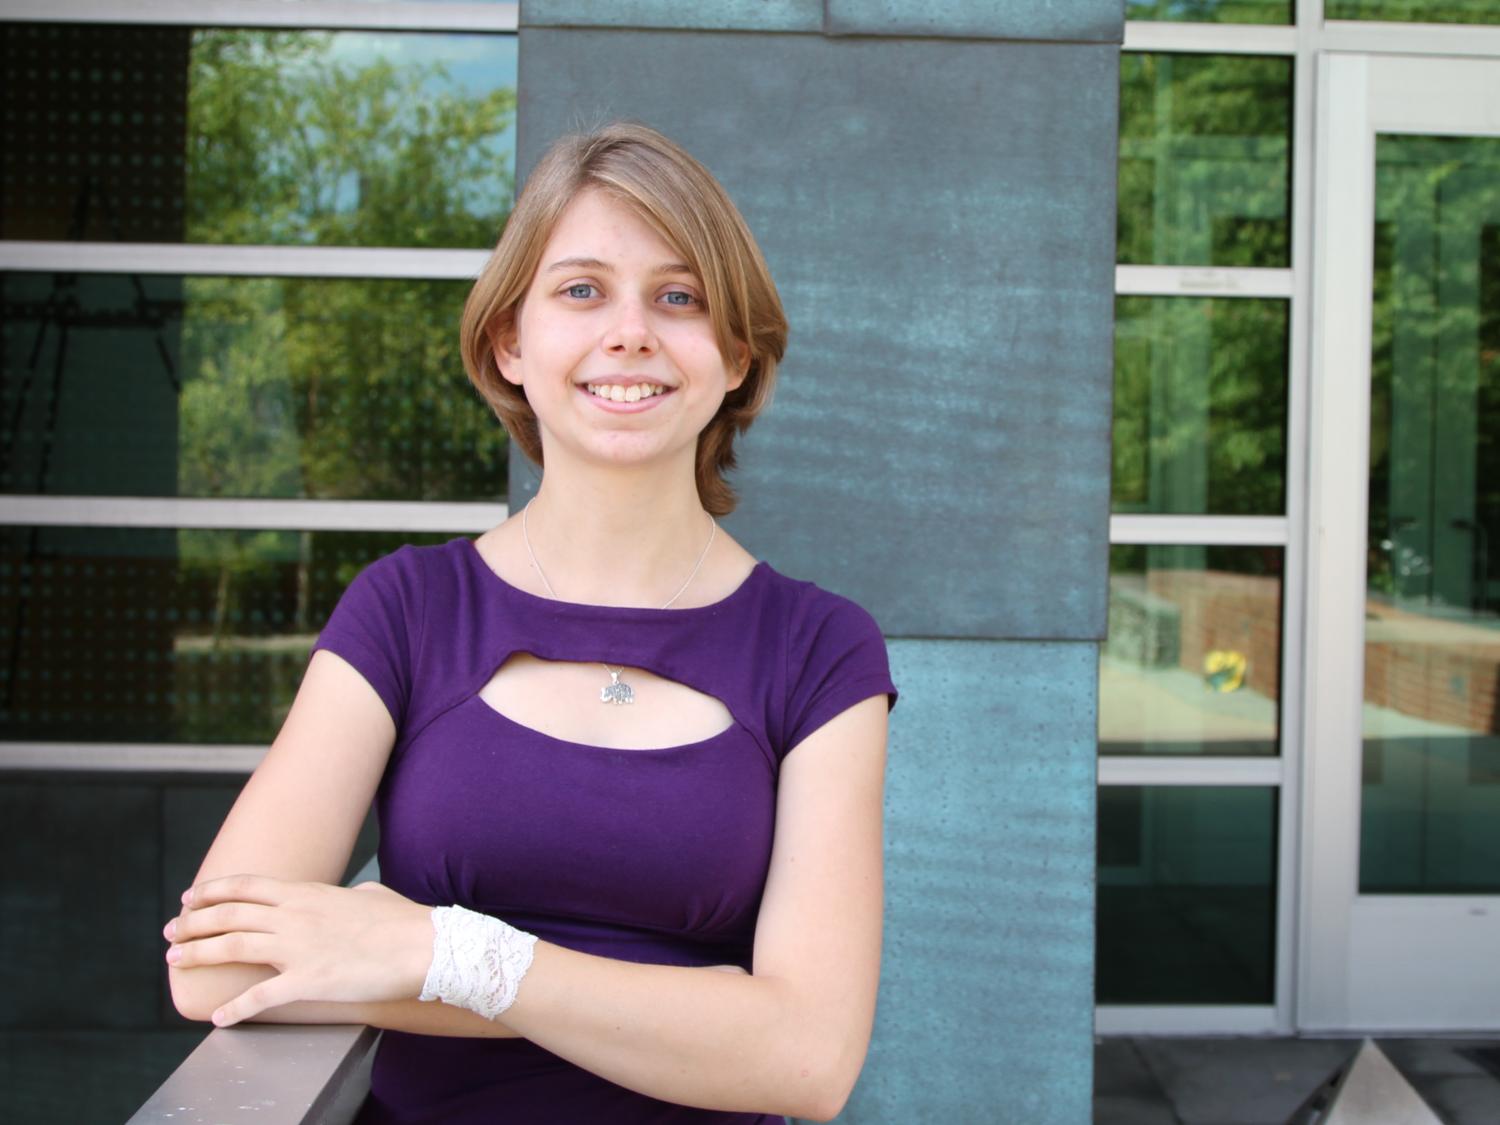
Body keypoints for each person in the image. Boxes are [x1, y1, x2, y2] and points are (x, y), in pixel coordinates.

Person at [164, 122, 897, 1124]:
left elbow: (808, 1059)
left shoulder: (819, 648)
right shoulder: (407, 609)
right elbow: (215, 966)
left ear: (735, 354)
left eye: (679, 297)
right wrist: (694, 1009)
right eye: (582, 290)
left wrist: (444, 952)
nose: (630, 332)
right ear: (510, 342)